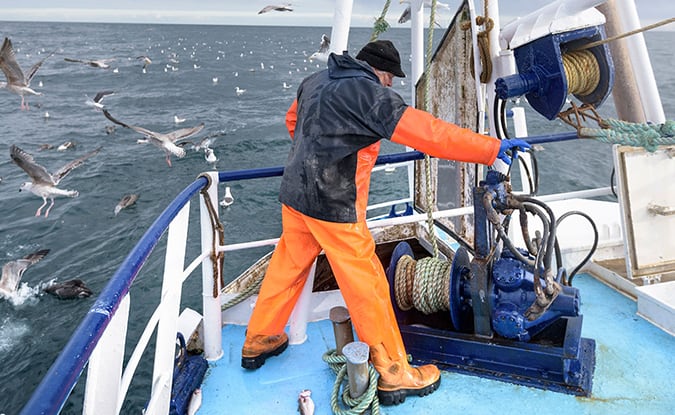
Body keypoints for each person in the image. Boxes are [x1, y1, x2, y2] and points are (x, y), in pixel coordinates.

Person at [241, 39, 530, 405]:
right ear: (382, 73)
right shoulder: (370, 94)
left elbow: (292, 121)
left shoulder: (315, 80)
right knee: (369, 285)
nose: (389, 87)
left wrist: (318, 158)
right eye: (390, 80)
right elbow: (429, 133)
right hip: (334, 207)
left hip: (297, 197)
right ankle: (395, 372)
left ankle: (259, 339)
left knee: (287, 267)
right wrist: (489, 150)